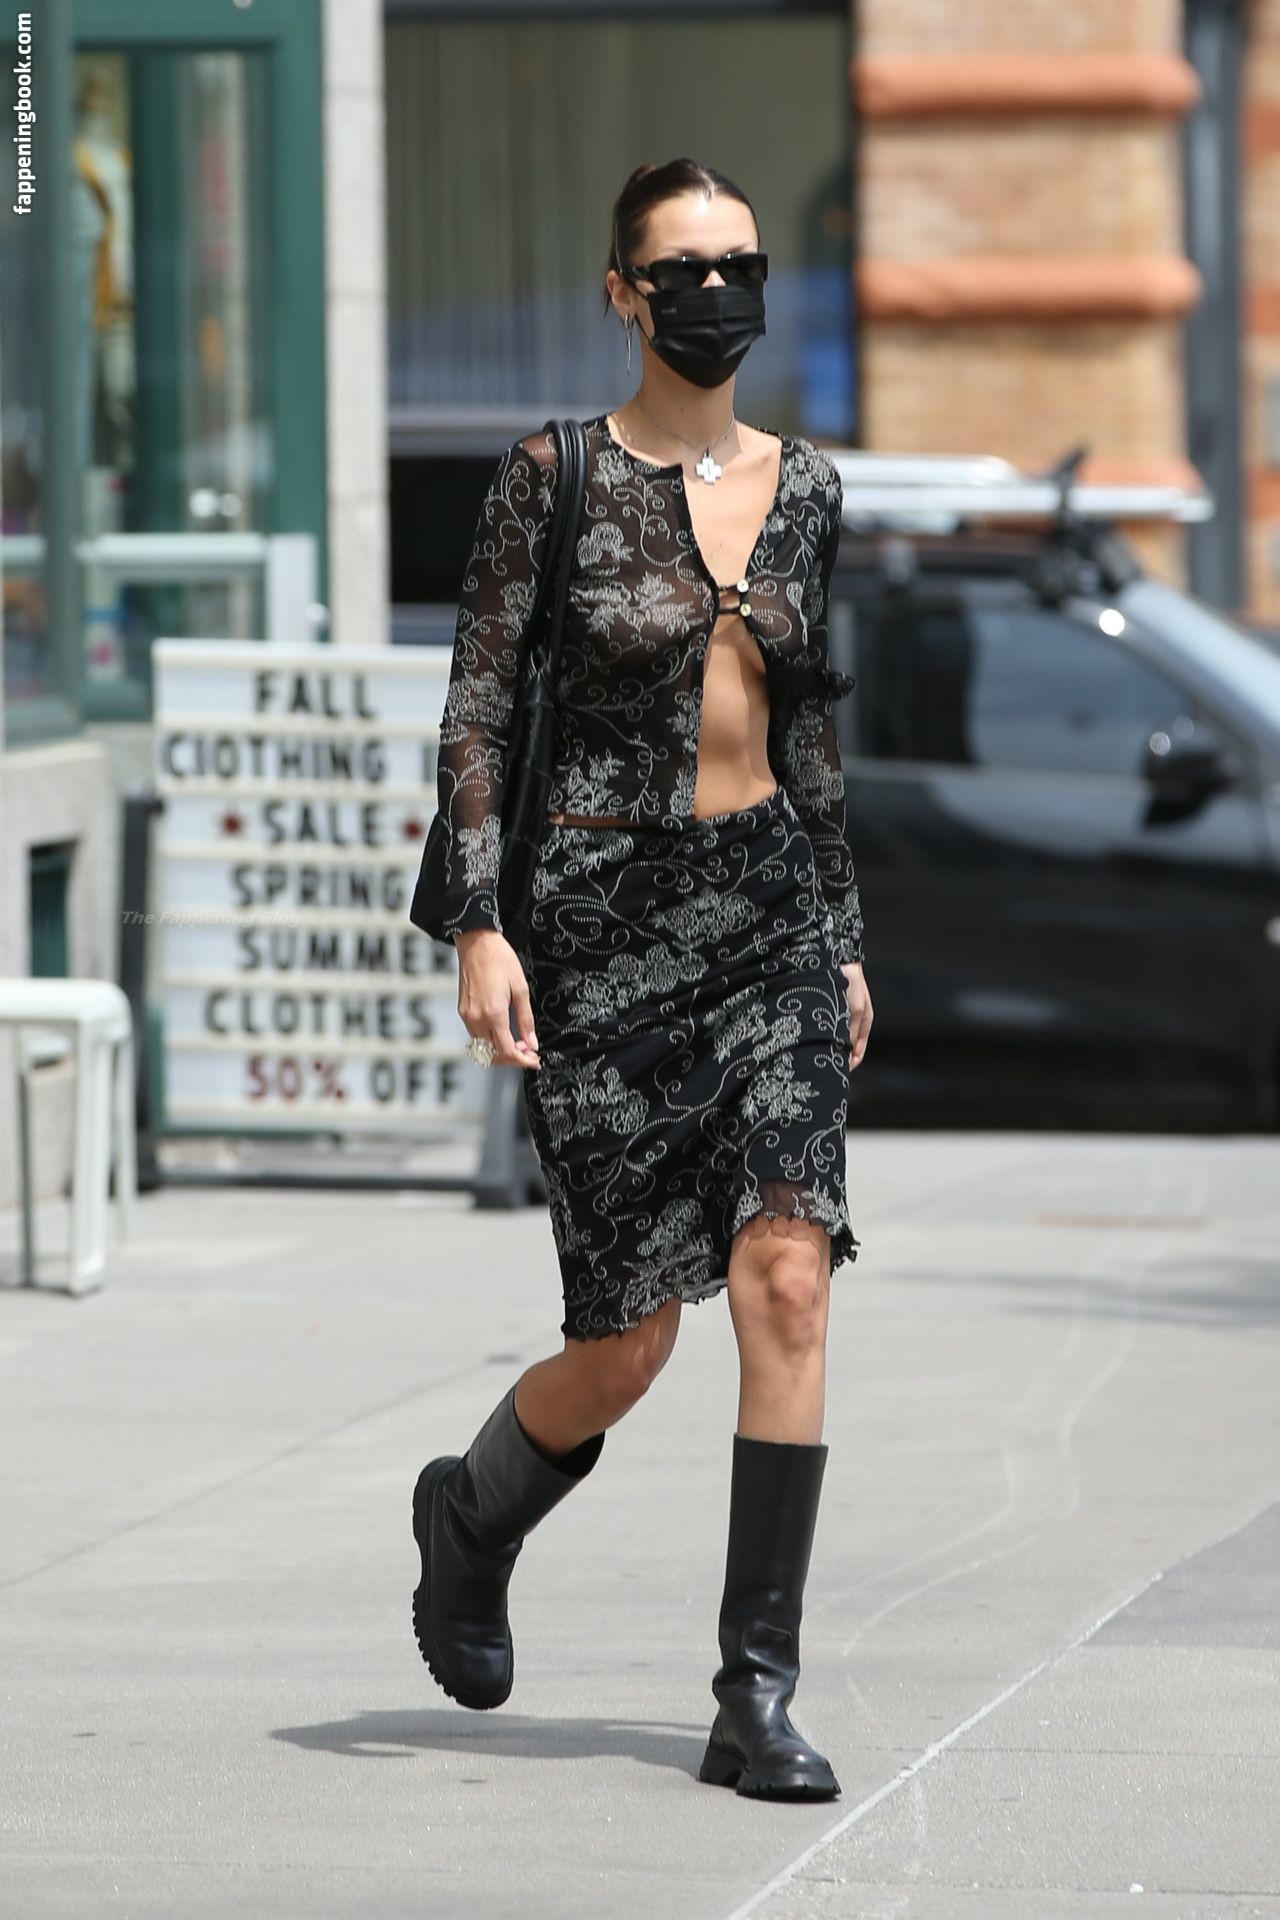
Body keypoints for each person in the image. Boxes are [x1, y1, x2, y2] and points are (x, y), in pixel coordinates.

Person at [411, 158, 873, 1802]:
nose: (716, 293)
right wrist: (480, 923)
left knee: (789, 1273)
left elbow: (810, 727)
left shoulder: (810, 491)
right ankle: (470, 1519)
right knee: (628, 1343)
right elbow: (477, 710)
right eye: (682, 269)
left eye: (740, 264)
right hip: (598, 923)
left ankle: (757, 1694)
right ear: (624, 293)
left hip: (766, 912)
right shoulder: (554, 477)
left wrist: (841, 932)